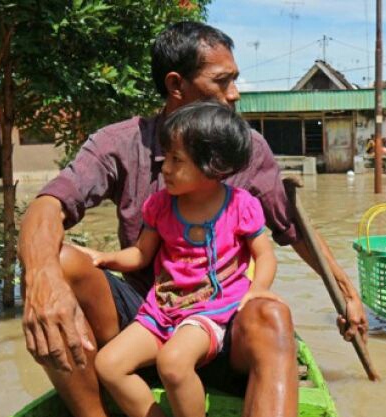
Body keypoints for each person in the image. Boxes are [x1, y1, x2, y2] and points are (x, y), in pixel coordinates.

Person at [18, 21, 368, 417]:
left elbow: (292, 230)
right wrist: (42, 278)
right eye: (222, 82)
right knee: (55, 261)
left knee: (273, 314)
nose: (234, 94)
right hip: (148, 314)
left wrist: (347, 295)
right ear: (175, 85)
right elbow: (47, 205)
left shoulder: (246, 149)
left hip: (219, 321)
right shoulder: (120, 143)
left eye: (234, 80)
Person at [77, 101, 278, 417]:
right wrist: (104, 259)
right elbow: (141, 254)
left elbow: (264, 255)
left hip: (210, 313)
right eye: (165, 157)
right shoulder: (160, 205)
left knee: (172, 363)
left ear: (214, 166)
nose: (165, 168)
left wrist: (258, 289)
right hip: (161, 310)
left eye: (176, 159)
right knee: (109, 365)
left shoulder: (240, 205)